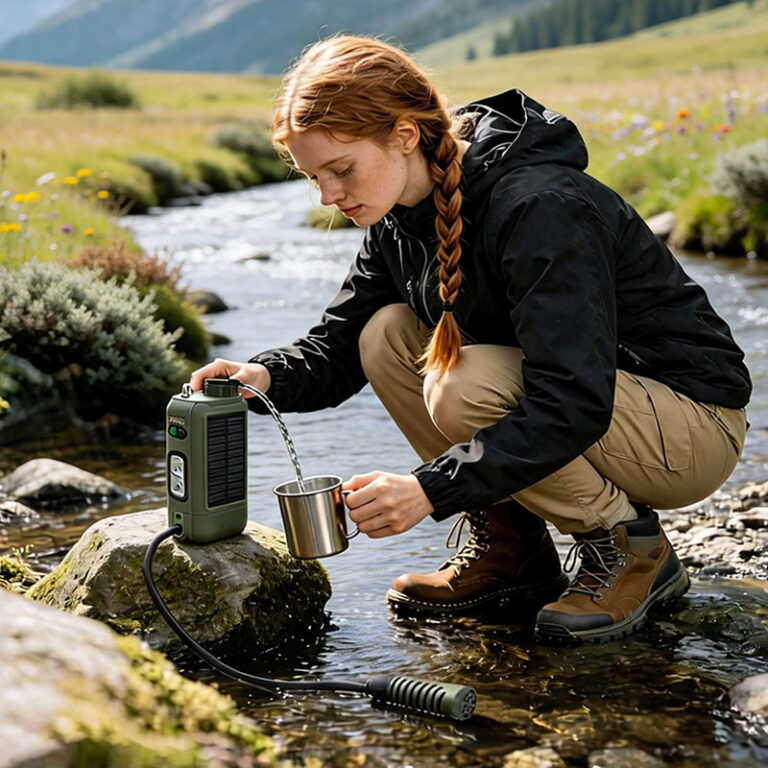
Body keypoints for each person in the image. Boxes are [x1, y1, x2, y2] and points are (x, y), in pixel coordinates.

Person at [190, 34, 751, 645]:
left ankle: (631, 550)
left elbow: (573, 398)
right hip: (605, 413)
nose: (328, 195)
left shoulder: (539, 206)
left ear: (404, 135)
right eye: (313, 177)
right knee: (384, 335)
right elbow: (342, 342)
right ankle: (510, 547)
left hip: (691, 428)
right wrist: (265, 376)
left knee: (463, 385)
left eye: (340, 169)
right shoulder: (398, 218)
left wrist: (429, 490)